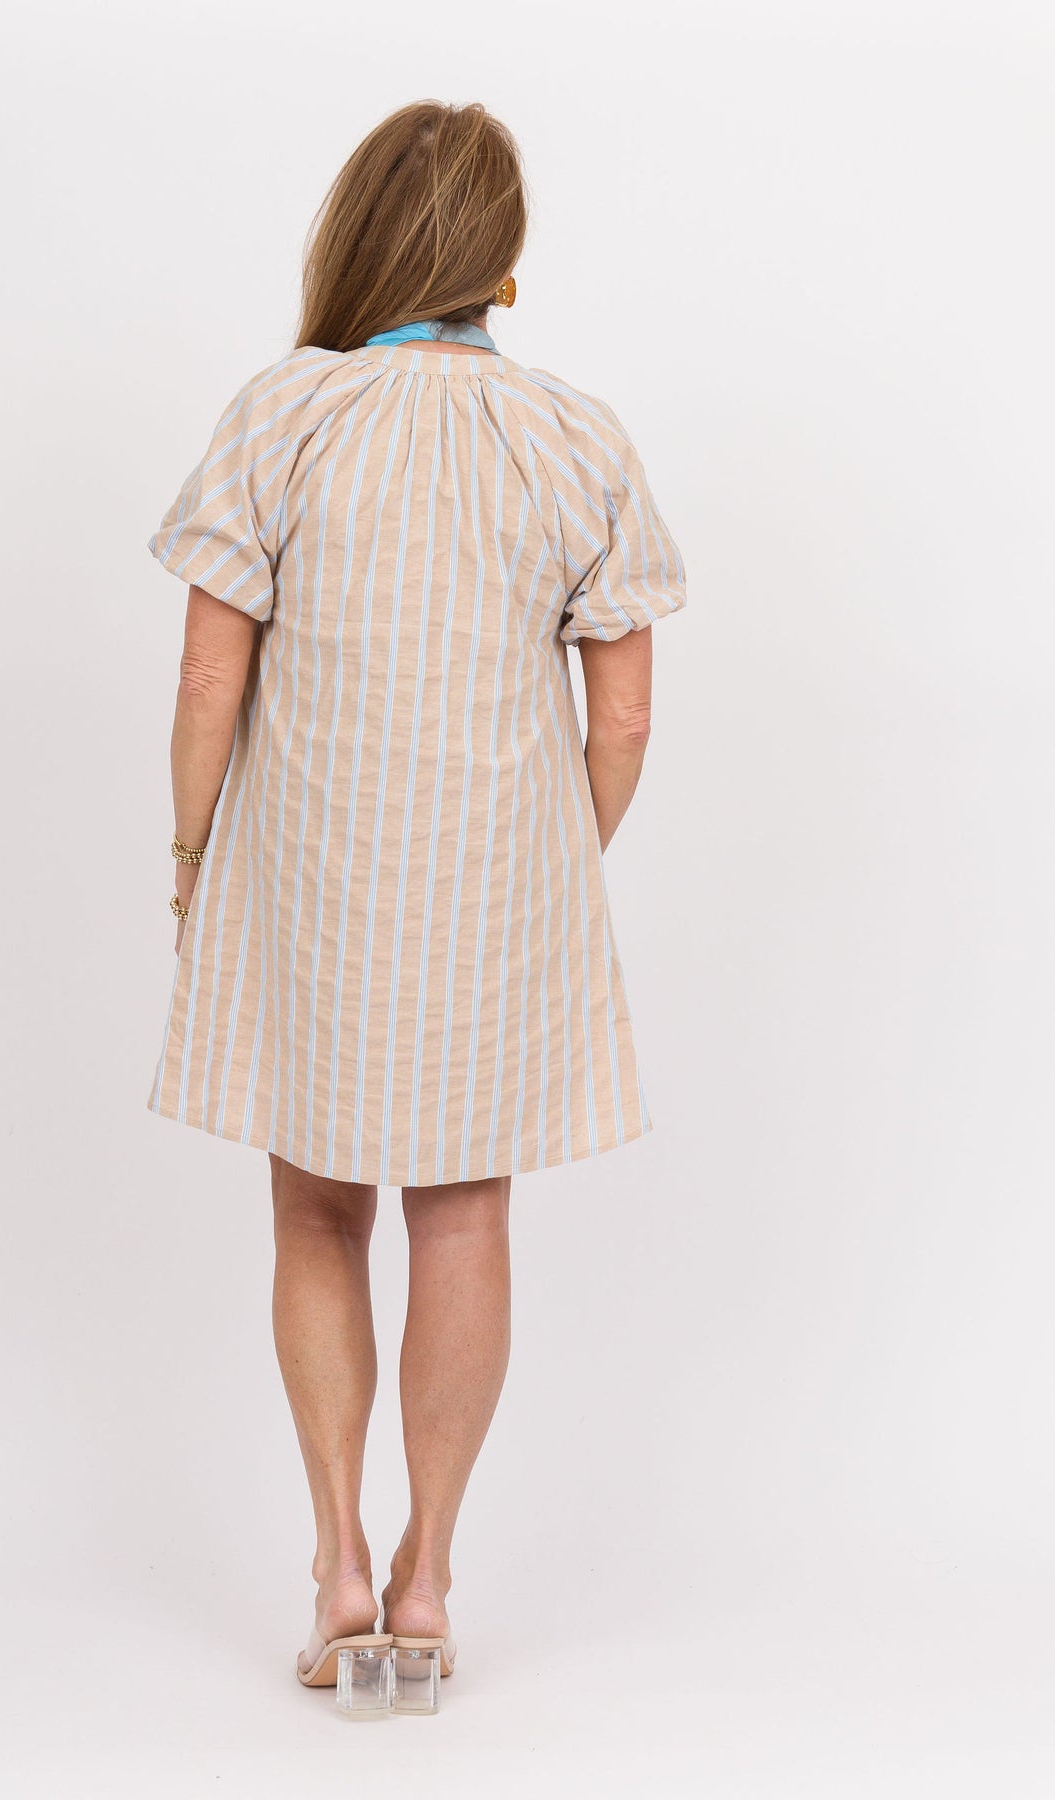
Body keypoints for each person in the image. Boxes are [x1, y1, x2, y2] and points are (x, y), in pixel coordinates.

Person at [143, 99, 688, 1698]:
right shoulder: (573, 436)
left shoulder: (285, 414)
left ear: (362, 237)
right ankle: (431, 1580)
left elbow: (206, 680)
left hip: (309, 882)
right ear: (501, 266)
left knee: (316, 1206)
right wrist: (549, 862)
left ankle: (335, 1570)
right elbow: (624, 722)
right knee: (464, 1214)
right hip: (494, 891)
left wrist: (190, 855)